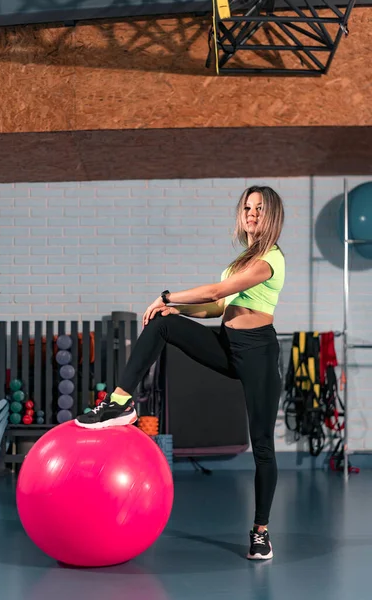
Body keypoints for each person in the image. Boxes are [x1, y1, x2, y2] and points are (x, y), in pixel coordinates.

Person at [75, 185, 285, 561]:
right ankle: (120, 403)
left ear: (271, 216)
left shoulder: (269, 259)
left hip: (259, 355)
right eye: (248, 208)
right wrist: (175, 312)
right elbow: (216, 307)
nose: (252, 214)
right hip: (228, 345)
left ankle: (261, 532)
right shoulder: (239, 260)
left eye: (259, 208)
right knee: (161, 325)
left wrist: (169, 296)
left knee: (264, 447)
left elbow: (217, 290)